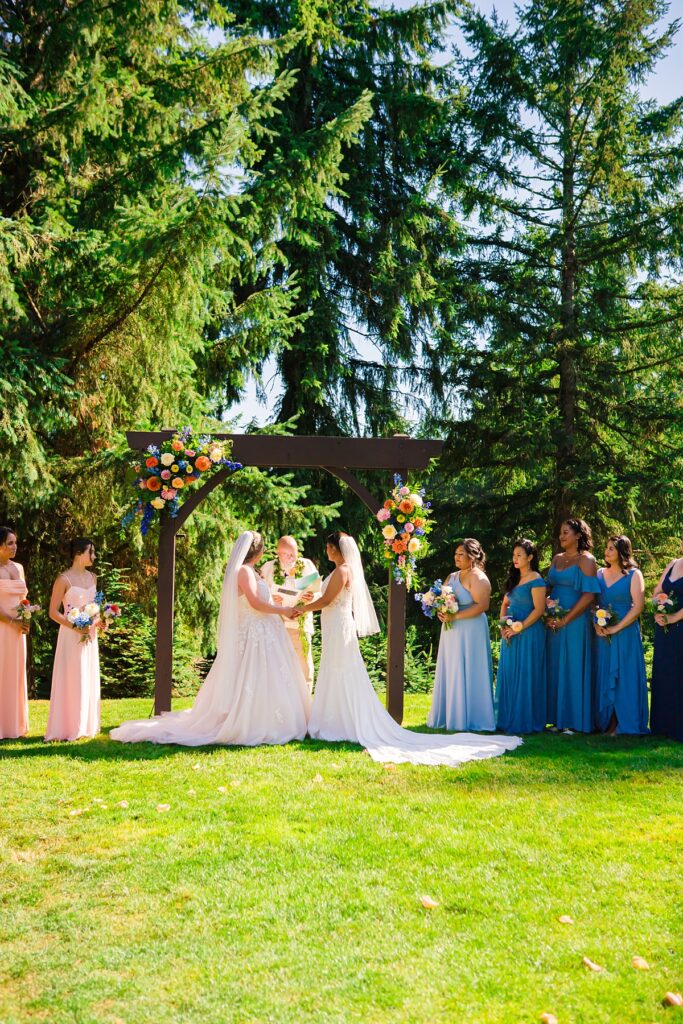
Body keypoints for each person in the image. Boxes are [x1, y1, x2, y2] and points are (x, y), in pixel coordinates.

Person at [299, 532, 522, 766]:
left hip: (342, 625)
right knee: (336, 669)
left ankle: (340, 721)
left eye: (329, 547)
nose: (327, 550)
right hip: (338, 625)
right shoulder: (452, 575)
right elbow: (326, 596)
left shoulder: (343, 570)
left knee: (342, 669)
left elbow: (327, 600)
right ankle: (333, 718)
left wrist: (302, 609)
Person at [111, 531, 311, 746]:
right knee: (251, 675)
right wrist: (283, 610)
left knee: (270, 677)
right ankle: (251, 721)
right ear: (258, 550)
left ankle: (274, 718)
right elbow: (254, 602)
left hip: (265, 632)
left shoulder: (255, 571)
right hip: (254, 634)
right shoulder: (244, 571)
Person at [427, 539, 496, 732]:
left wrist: (455, 615)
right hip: (451, 630)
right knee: (453, 667)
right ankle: (450, 714)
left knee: (471, 667)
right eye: (456, 554)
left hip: (471, 629)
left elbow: (482, 605)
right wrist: (441, 612)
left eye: (461, 554)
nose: (456, 557)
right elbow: (444, 598)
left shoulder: (479, 578)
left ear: (472, 556)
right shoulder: (452, 576)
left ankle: (474, 717)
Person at [545, 518, 600, 733]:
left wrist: (566, 619)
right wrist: (546, 612)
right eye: (560, 532)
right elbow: (546, 587)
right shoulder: (557, 559)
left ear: (578, 535)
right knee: (556, 665)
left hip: (575, 621)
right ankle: (557, 719)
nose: (562, 536)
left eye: (566, 532)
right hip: (553, 620)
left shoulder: (586, 560)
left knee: (574, 667)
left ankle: (575, 721)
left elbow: (589, 595)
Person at [45, 538, 103, 741]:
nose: (94, 556)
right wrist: (75, 627)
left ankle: (86, 724)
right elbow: (53, 612)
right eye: (91, 552)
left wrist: (99, 621)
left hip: (90, 635)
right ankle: (68, 726)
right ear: (79, 553)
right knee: (73, 676)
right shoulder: (63, 579)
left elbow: (95, 607)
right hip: (70, 635)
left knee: (87, 674)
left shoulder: (93, 578)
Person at [594, 536, 648, 736]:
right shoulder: (599, 574)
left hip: (625, 633)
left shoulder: (634, 574)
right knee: (604, 673)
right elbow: (594, 604)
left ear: (622, 552)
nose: (606, 552)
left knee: (625, 677)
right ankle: (606, 722)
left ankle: (624, 723)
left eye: (611, 549)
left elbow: (638, 607)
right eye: (606, 548)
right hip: (603, 633)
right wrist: (596, 624)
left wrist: (617, 628)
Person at [495, 538, 547, 734]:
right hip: (510, 632)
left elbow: (539, 609)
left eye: (519, 555)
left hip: (529, 632)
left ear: (530, 557)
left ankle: (525, 720)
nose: (515, 559)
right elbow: (504, 604)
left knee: (526, 673)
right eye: (514, 555)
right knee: (510, 673)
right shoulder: (515, 579)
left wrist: (520, 627)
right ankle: (507, 718)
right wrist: (503, 625)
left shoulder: (536, 580)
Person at [261, 536, 320, 690]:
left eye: (294, 554)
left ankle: (306, 704)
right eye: (287, 555)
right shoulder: (269, 567)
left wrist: (311, 597)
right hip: (276, 624)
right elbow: (259, 596)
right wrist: (272, 599)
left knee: (304, 665)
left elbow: (319, 593)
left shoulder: (306, 565)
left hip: (300, 624)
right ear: (278, 553)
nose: (291, 558)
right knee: (278, 666)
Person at [650, 537, 683, 743]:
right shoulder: (673, 564)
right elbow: (657, 592)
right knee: (665, 673)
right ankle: (663, 725)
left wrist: (674, 616)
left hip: (680, 625)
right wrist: (658, 609)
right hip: (664, 629)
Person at [0, 526, 30, 739]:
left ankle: (14, 726)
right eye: (10, 543)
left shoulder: (18, 567)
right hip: (3, 627)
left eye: (15, 543)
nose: (14, 547)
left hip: (18, 629)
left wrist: (25, 618)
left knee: (16, 673)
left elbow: (23, 599)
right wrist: (12, 621)